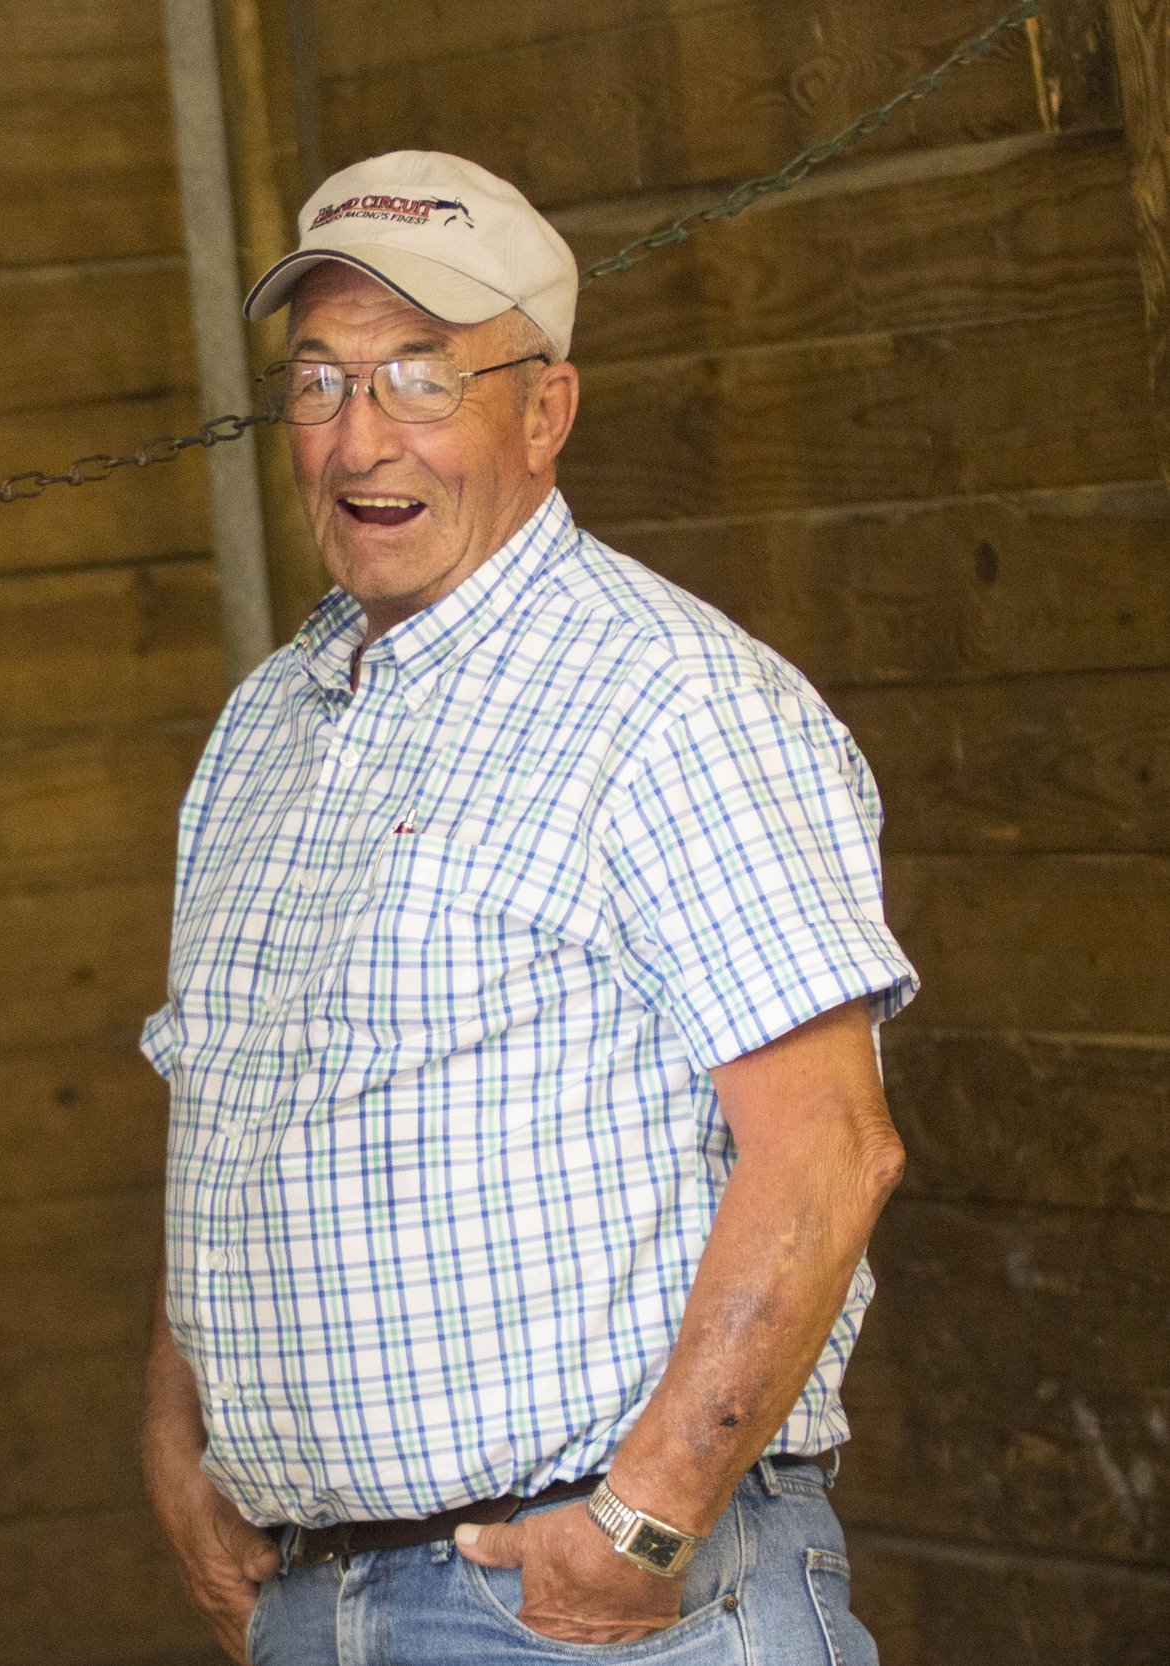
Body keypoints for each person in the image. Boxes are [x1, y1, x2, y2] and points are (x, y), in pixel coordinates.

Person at [137, 150, 915, 1664]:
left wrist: (642, 1520)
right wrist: (179, 1438)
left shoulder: (669, 701)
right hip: (319, 1601)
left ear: (544, 413)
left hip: (596, 1614)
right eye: (319, 379)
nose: (362, 435)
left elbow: (830, 1144)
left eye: (424, 375)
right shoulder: (265, 727)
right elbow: (232, 1118)